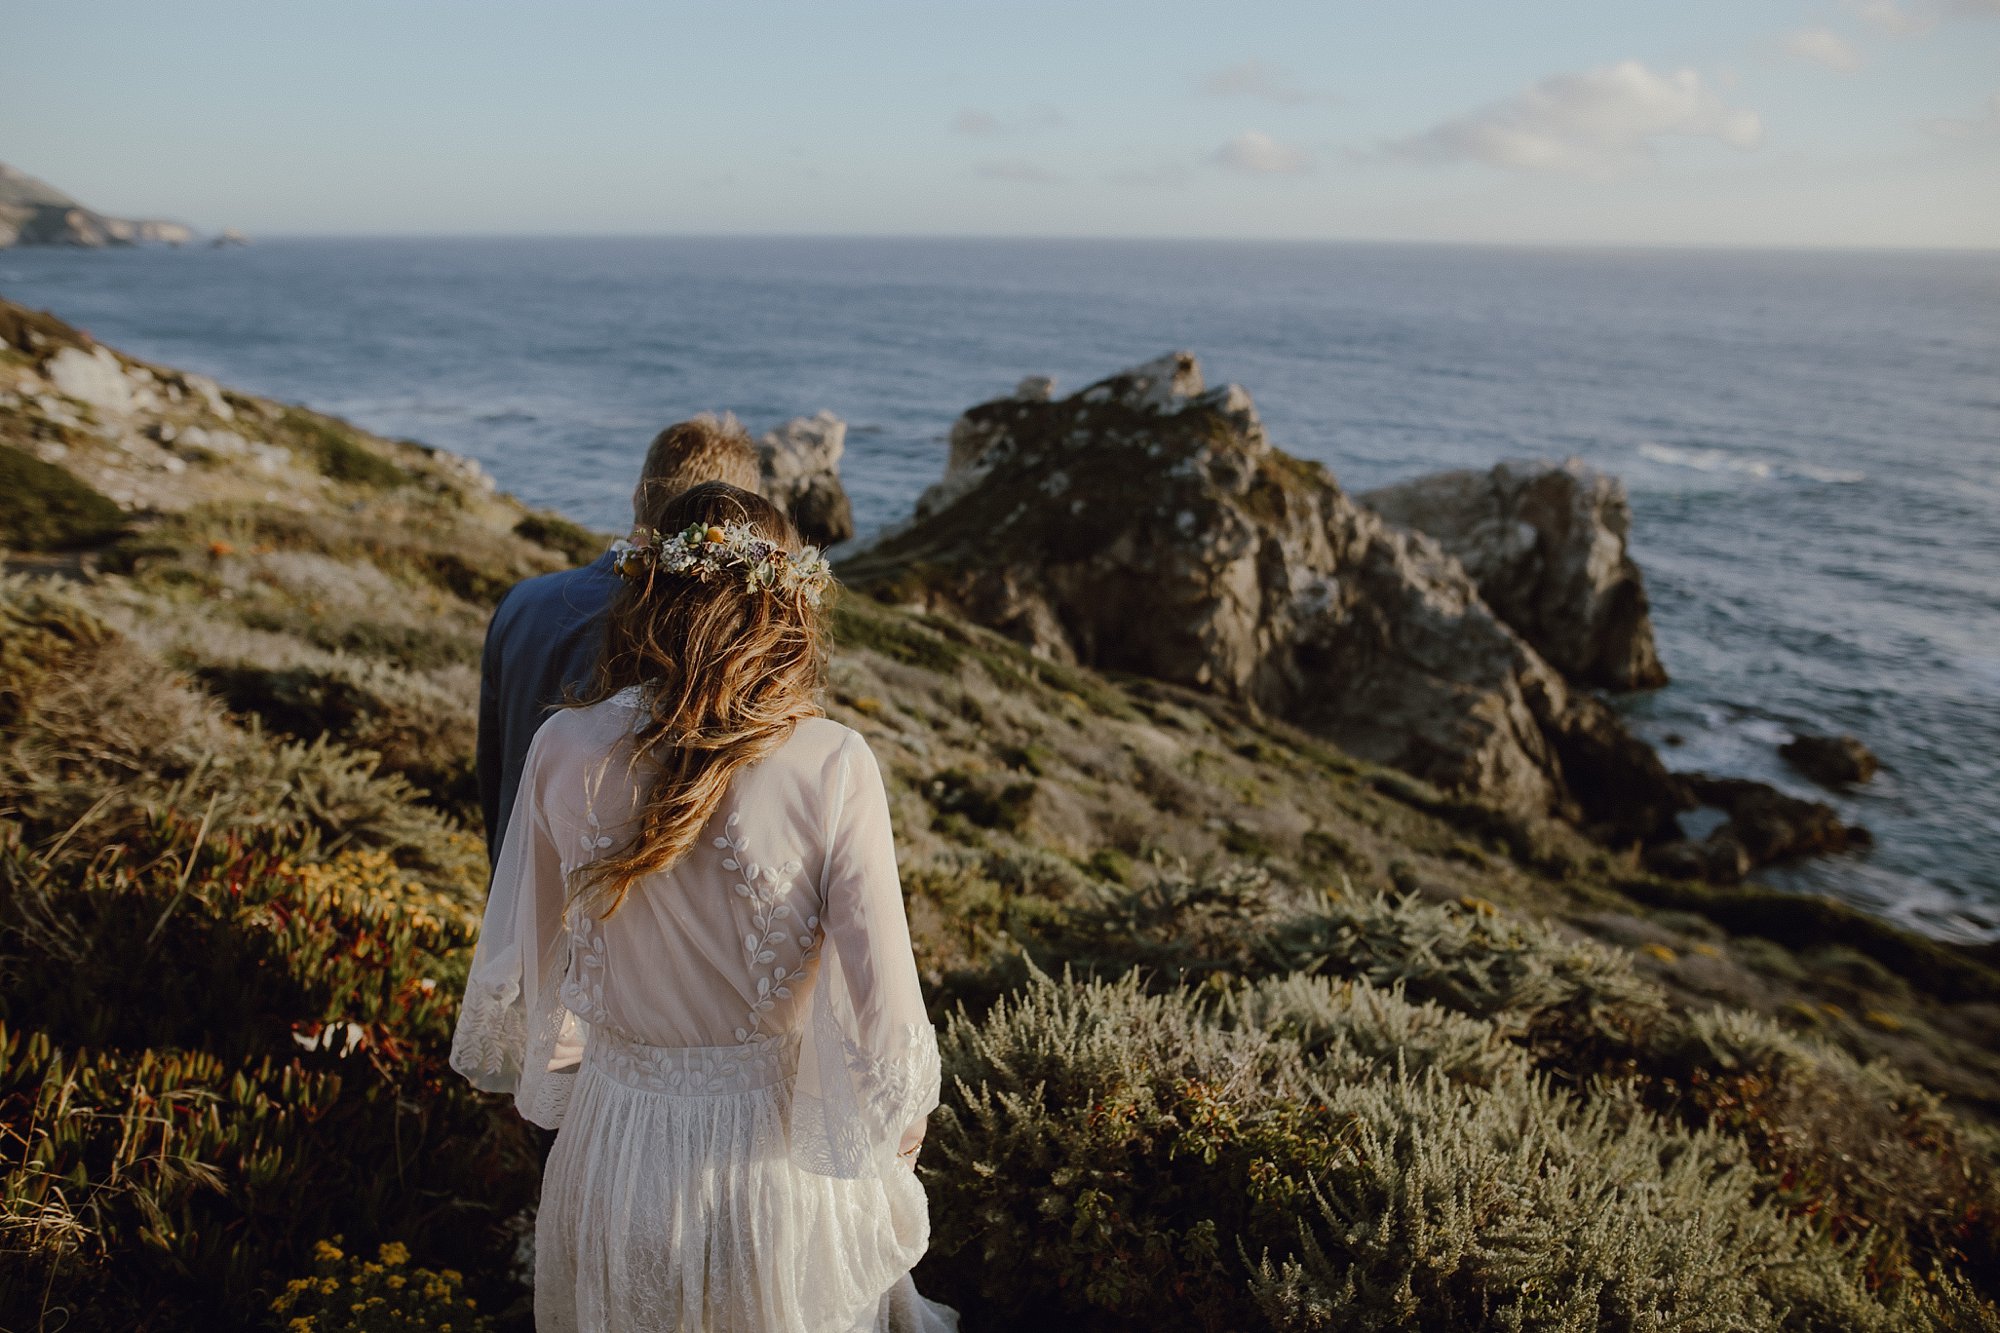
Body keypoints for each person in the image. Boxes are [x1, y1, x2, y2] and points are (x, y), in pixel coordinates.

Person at [451, 482, 958, 1333]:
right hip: (771, 1169)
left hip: (610, 1152)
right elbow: (890, 1030)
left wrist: (593, 1080)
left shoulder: (560, 746)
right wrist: (886, 1159)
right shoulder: (833, 761)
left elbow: (538, 974)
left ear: (645, 592)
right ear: (783, 601)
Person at [477, 415, 762, 860]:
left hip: (516, 894)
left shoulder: (520, 605)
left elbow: (493, 777)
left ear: (637, 495)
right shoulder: (716, 639)